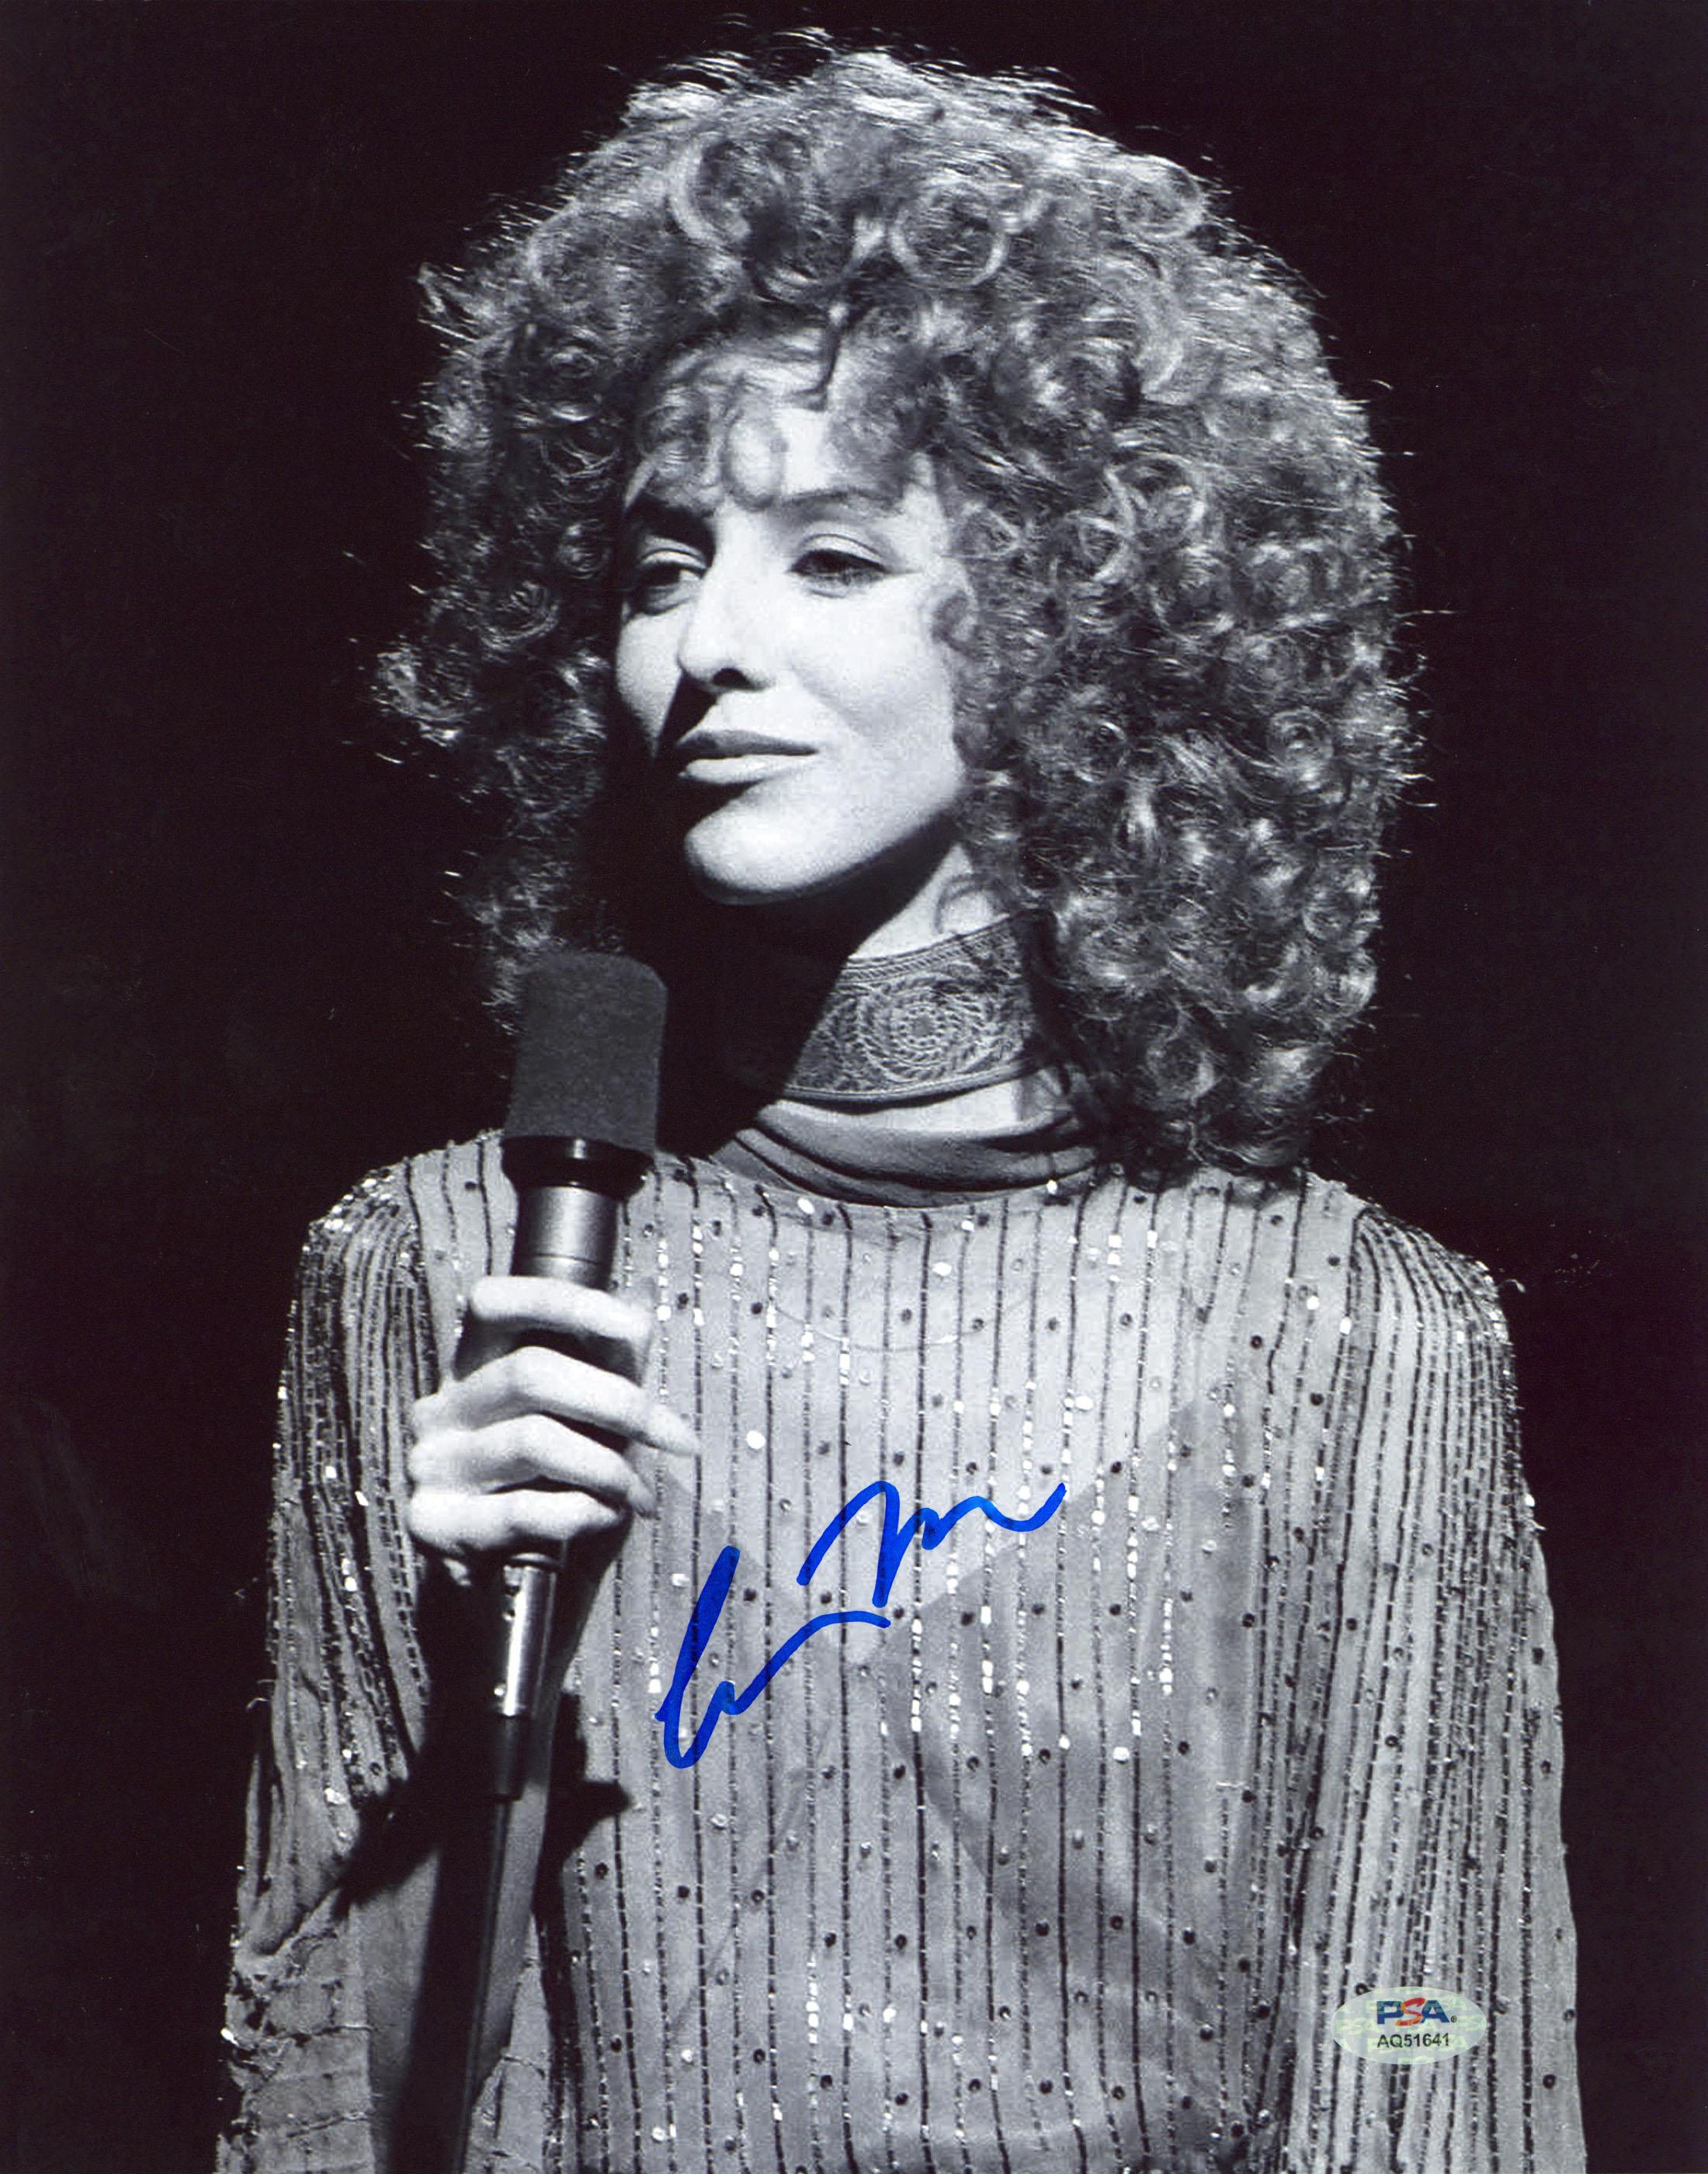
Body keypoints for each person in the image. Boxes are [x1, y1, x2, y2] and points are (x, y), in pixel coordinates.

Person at [218, 45, 1583, 2174]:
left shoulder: (1355, 1338)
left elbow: (1435, 2058)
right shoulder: (448, 1271)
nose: (704, 645)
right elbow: (331, 2106)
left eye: (832, 557)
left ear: (1075, 620)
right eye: (660, 562)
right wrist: (479, 1706)